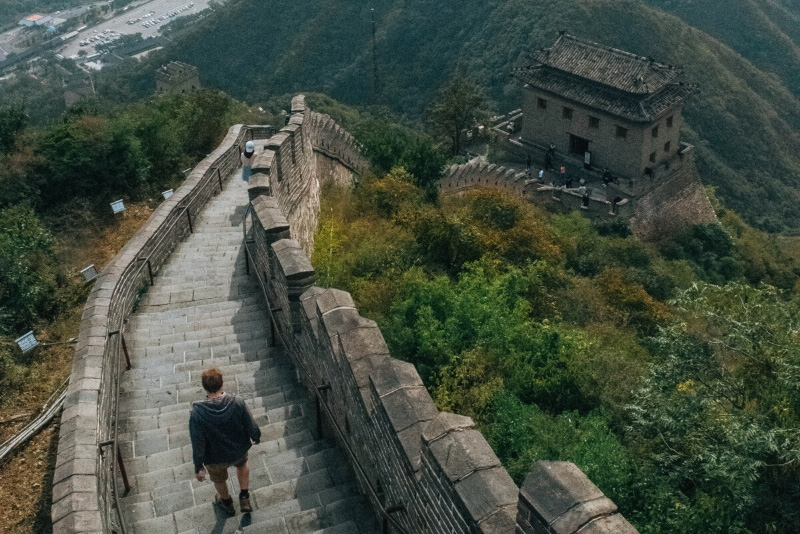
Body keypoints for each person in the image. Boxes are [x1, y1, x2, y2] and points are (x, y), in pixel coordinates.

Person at [190, 368, 261, 516]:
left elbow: (198, 443)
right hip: (238, 450)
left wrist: (198, 466)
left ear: (204, 387)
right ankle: (244, 497)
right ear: (222, 384)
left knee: (219, 479)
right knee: (242, 466)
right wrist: (256, 436)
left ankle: (227, 502)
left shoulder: (197, 414)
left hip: (214, 458)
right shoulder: (237, 402)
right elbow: (250, 424)